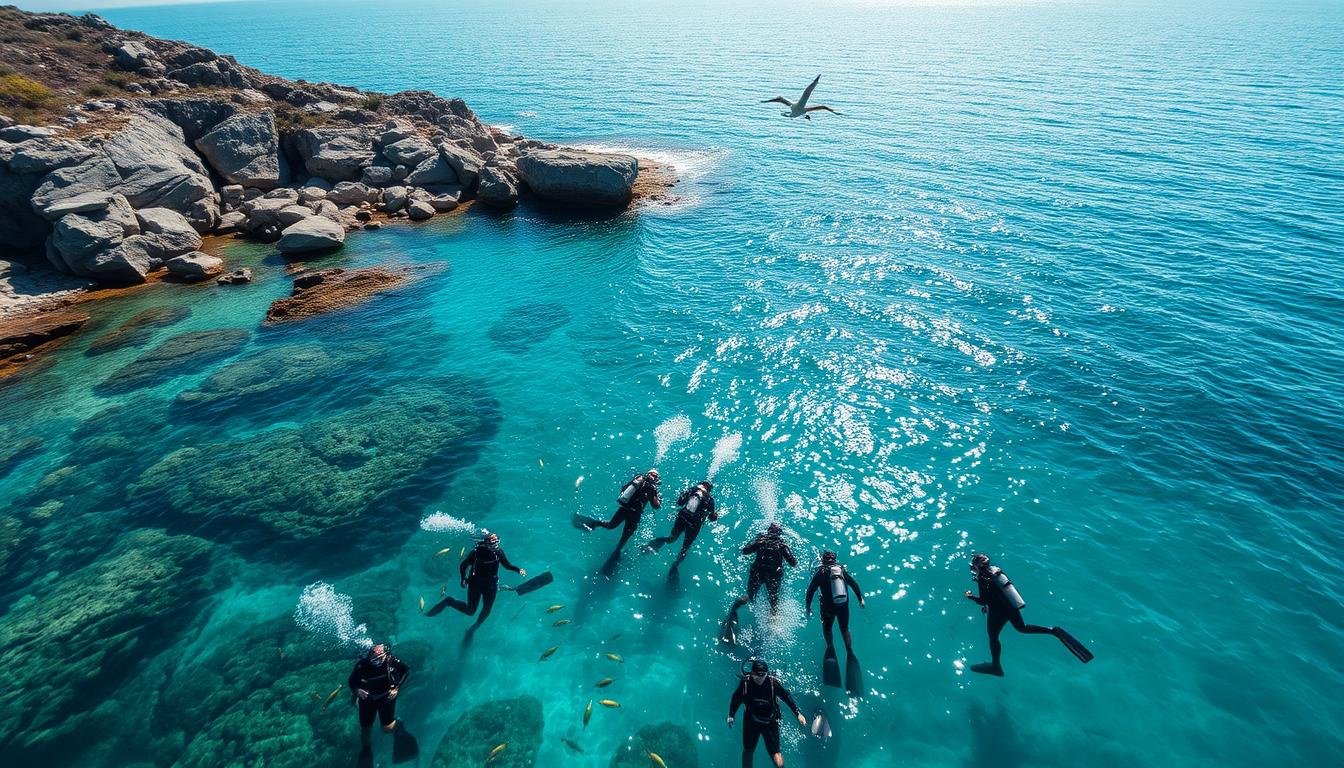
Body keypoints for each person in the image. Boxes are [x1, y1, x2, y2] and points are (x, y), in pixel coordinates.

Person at [965, 552, 1092, 675]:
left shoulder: (982, 578)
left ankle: (995, 666)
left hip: (997, 612)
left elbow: (984, 600)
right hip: (1011, 607)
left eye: (974, 567)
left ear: (977, 566)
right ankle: (1053, 631)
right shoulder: (996, 571)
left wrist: (970, 597)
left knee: (993, 638)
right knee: (1022, 628)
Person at [727, 659, 807, 768]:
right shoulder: (745, 683)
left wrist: (798, 714)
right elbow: (736, 698)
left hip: (770, 722)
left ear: (766, 674)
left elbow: (787, 697)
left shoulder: (773, 684)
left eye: (763, 675)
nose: (760, 678)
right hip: (751, 721)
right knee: (748, 750)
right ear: (752, 673)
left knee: (776, 753)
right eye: (757, 675)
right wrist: (731, 715)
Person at [444, 531, 525, 627]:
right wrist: (463, 578)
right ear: (486, 543)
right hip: (475, 584)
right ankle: (449, 601)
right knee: (470, 611)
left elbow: (507, 565)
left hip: (491, 585)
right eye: (493, 543)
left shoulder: (498, 552)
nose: (496, 545)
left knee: (487, 610)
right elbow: (463, 565)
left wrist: (518, 570)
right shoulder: (476, 553)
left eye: (497, 542)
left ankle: (475, 627)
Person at [644, 480, 718, 573]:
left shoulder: (691, 490)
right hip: (694, 525)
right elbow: (712, 517)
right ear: (709, 489)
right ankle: (675, 566)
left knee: (671, 539)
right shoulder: (710, 498)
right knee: (685, 548)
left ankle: (652, 544)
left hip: (682, 518)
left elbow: (679, 502)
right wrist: (714, 516)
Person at [348, 643, 410, 753]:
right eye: (375, 658)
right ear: (369, 656)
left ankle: (399, 724)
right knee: (365, 732)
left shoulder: (391, 660)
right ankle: (366, 751)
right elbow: (351, 681)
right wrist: (357, 691)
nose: (379, 660)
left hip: (387, 697)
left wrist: (396, 689)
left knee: (387, 729)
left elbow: (406, 670)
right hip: (367, 699)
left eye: (381, 657)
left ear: (386, 655)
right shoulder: (362, 665)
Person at [727, 522, 798, 619]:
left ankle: (737, 605)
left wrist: (756, 539)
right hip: (773, 575)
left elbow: (745, 551)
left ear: (768, 531)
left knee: (750, 595)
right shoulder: (782, 546)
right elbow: (793, 563)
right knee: (773, 601)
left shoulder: (760, 542)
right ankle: (774, 621)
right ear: (780, 534)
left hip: (757, 573)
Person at [584, 469, 662, 553]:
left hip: (635, 514)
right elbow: (625, 490)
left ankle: (617, 550)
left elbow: (656, 506)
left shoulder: (653, 490)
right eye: (652, 475)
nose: (653, 477)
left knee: (626, 536)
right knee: (611, 525)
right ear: (647, 474)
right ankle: (595, 523)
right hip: (625, 509)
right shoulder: (639, 480)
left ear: (657, 479)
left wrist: (651, 494)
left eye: (655, 476)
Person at [805, 550, 864, 655]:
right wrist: (860, 599)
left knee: (827, 629)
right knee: (845, 628)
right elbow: (853, 583)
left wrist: (808, 608)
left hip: (828, 608)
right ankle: (849, 650)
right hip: (843, 606)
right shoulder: (841, 570)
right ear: (835, 560)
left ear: (823, 560)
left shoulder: (820, 573)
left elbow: (810, 592)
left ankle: (830, 646)